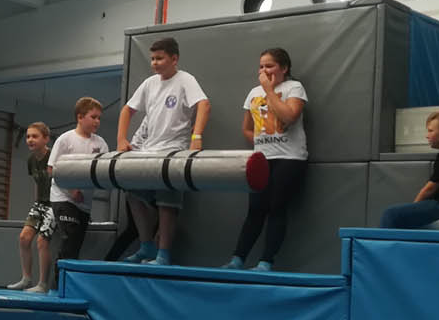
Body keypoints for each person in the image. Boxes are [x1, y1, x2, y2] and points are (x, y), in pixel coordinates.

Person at [116, 36, 209, 265]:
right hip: (149, 151)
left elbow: (203, 104)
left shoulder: (185, 80)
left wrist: (196, 137)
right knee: (133, 194)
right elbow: (127, 110)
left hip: (174, 150)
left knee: (168, 203)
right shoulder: (150, 83)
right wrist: (121, 139)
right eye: (152, 59)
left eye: (159, 58)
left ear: (174, 59)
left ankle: (163, 254)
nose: (154, 63)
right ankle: (146, 245)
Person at [224, 47, 308, 272]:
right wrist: (263, 140)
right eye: (261, 66)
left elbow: (290, 116)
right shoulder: (253, 93)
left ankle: (266, 262)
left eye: (269, 66)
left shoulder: (294, 87)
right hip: (263, 157)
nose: (264, 70)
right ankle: (237, 259)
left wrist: (269, 90)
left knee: (277, 206)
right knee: (255, 208)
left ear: (284, 68)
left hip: (289, 157)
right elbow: (247, 128)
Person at [47, 97, 110, 286]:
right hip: (63, 198)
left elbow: (103, 170)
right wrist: (71, 189)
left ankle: (67, 284)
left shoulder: (100, 143)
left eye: (99, 118)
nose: (97, 121)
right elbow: (51, 169)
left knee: (76, 245)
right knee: (69, 239)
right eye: (93, 117)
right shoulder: (65, 140)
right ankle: (57, 285)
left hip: (84, 203)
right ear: (80, 117)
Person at [379, 110, 439, 229]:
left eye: (430, 131)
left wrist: (414, 207)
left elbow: (429, 189)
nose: (427, 135)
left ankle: (385, 242)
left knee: (390, 215)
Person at [7, 122, 55, 292]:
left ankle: (42, 284)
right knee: (24, 238)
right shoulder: (31, 160)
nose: (30, 140)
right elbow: (37, 183)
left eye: (35, 136)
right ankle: (26, 279)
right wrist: (36, 204)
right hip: (41, 203)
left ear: (46, 139)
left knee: (42, 241)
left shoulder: (53, 157)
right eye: (28, 136)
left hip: (55, 203)